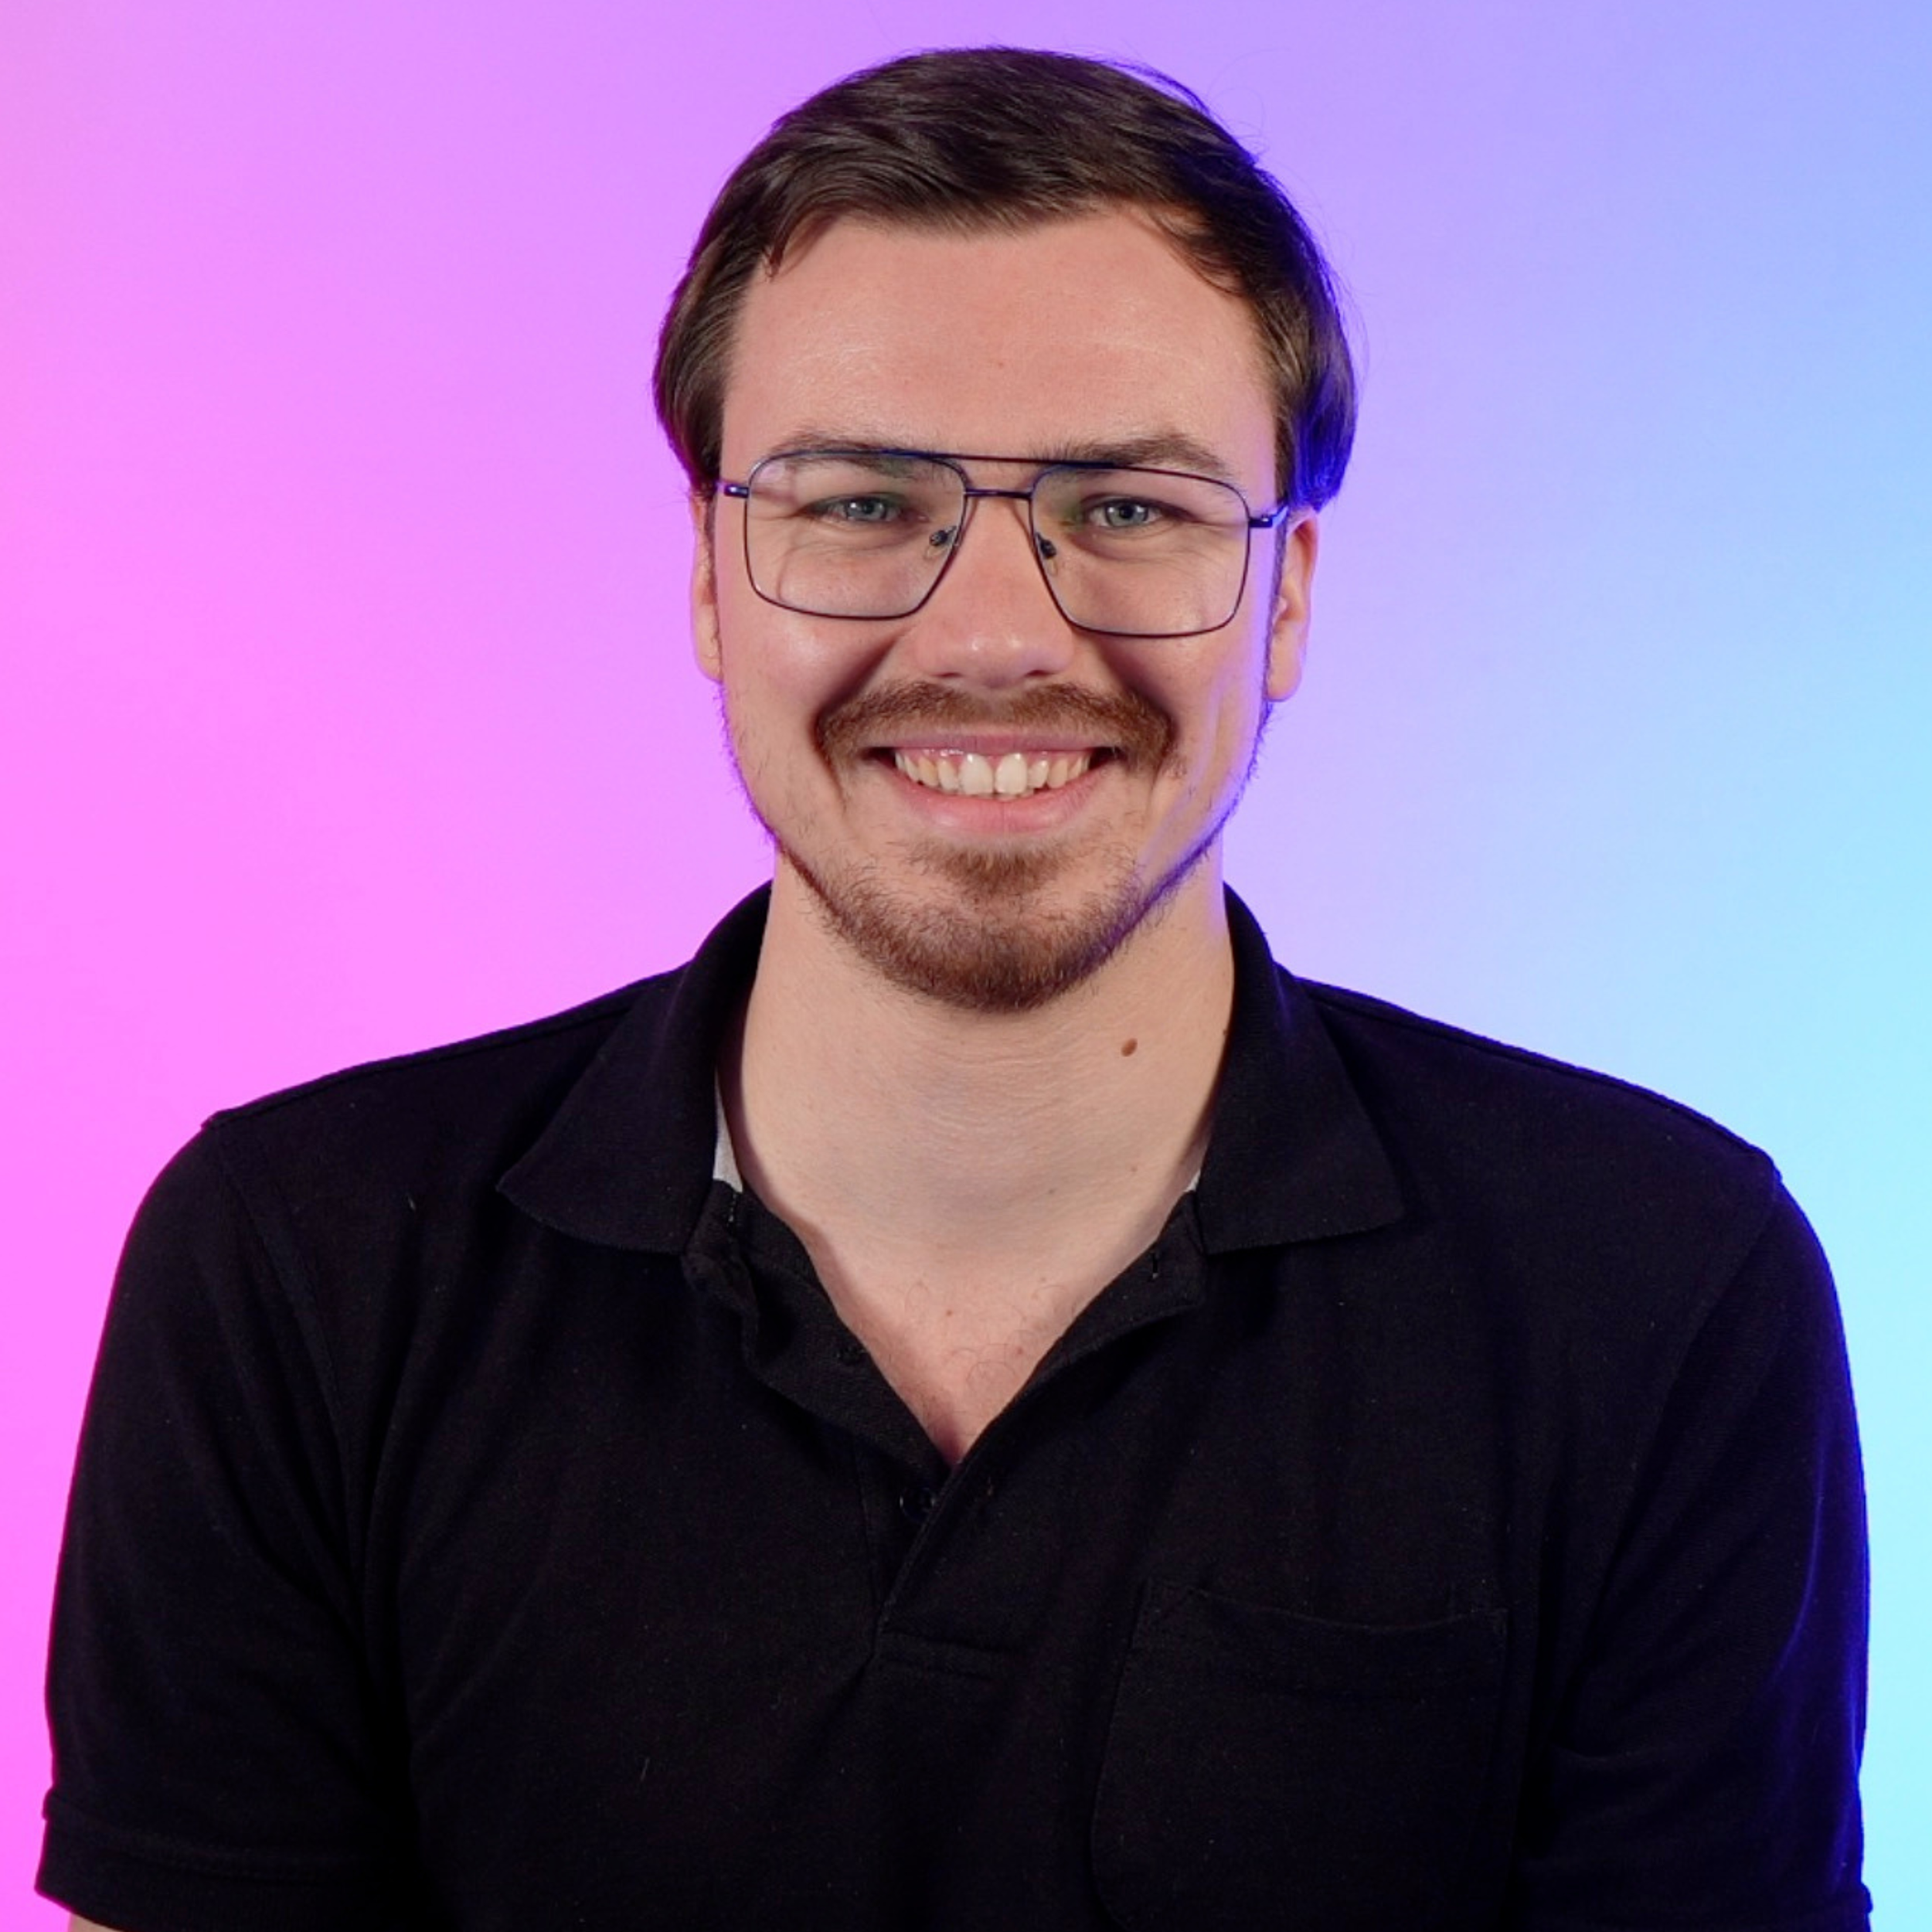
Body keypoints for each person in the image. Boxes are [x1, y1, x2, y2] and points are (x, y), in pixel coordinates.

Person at [39, 46, 1869, 1932]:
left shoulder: (1655, 1287)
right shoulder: (295, 1271)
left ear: (1288, 597)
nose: (994, 636)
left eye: (1129, 508)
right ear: (708, 577)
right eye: (856, 501)